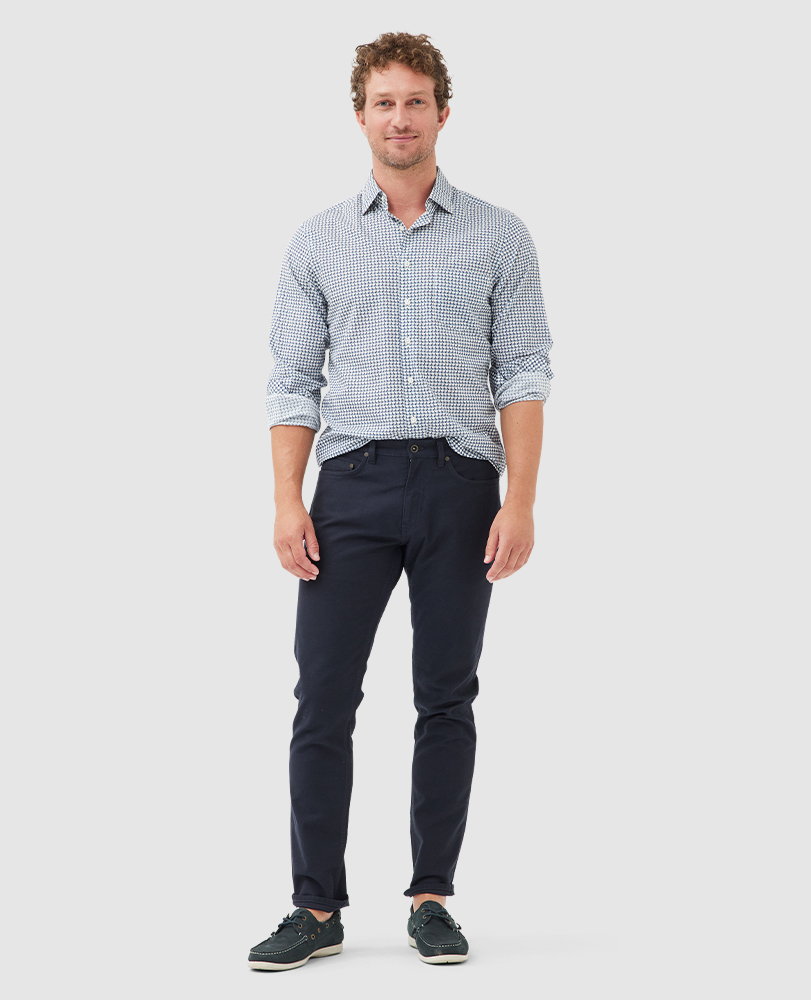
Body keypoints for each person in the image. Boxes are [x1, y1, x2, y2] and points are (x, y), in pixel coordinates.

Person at [248, 31, 553, 972]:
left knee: (446, 697)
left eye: (415, 100)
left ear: (442, 113)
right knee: (322, 698)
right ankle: (315, 906)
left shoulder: (499, 234)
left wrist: (520, 501)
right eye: (383, 102)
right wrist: (287, 501)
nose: (399, 117)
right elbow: (292, 380)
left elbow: (524, 370)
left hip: (461, 486)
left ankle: (431, 897)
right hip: (351, 487)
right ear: (360, 116)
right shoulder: (319, 240)